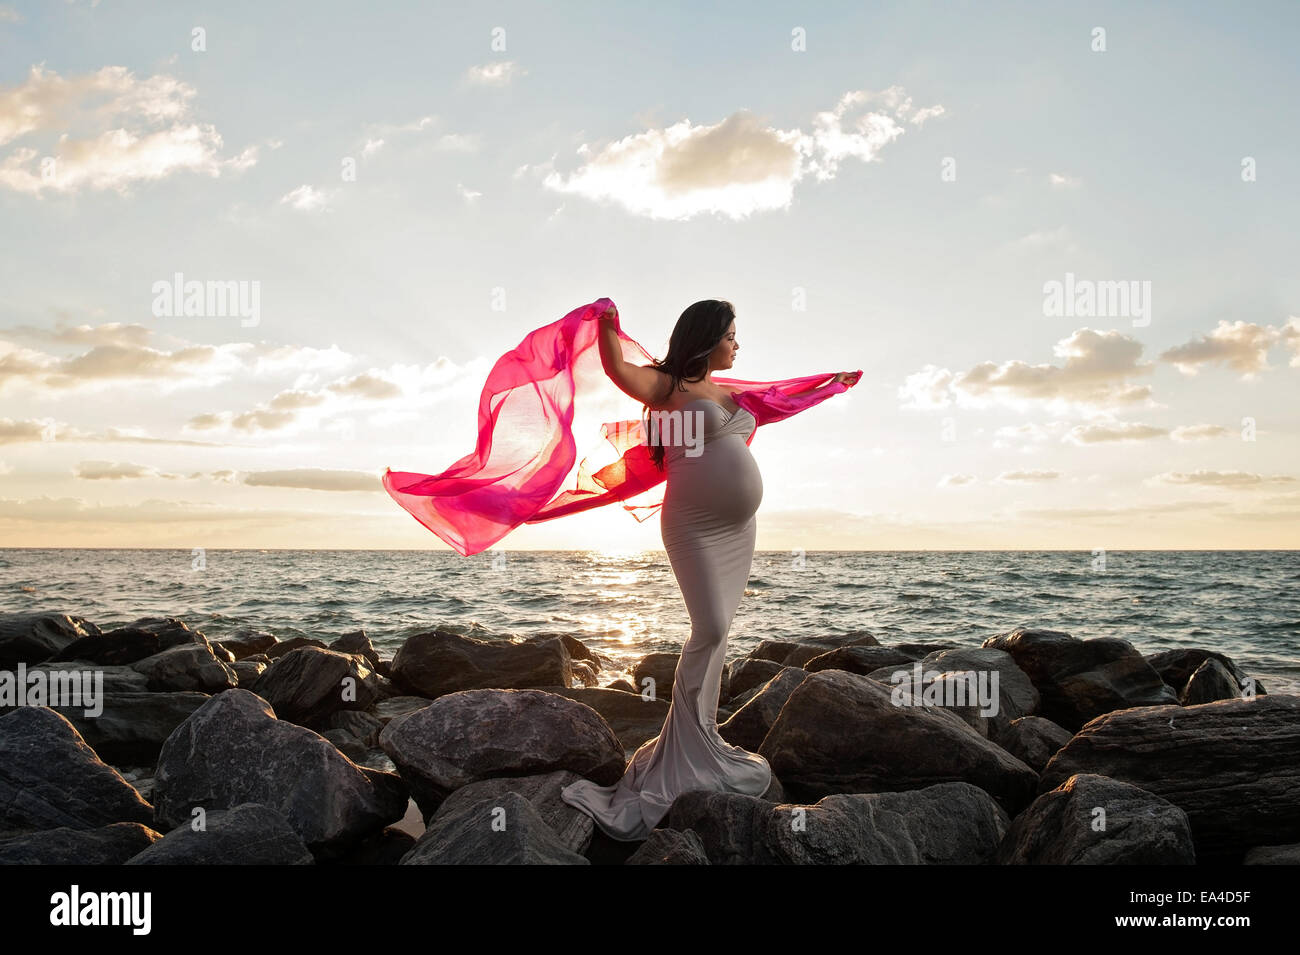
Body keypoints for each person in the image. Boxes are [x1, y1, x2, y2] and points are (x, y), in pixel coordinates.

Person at [558, 299, 860, 841]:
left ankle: (702, 739)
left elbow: (783, 401)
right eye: (732, 335)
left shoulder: (730, 394)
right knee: (711, 629)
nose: (737, 345)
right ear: (706, 337)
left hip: (737, 530)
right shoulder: (665, 387)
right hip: (693, 524)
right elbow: (615, 368)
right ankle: (685, 754)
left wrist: (827, 385)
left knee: (720, 635)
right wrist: (605, 322)